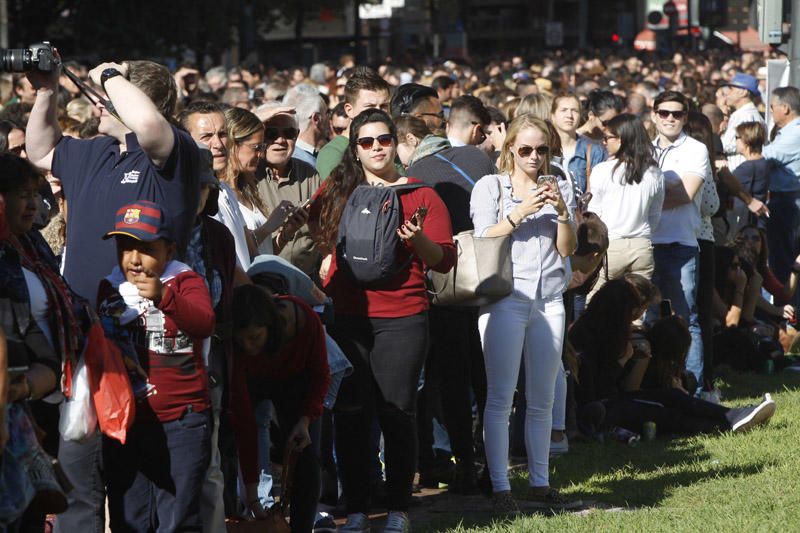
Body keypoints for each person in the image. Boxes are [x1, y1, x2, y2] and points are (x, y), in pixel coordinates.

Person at [26, 58, 202, 533]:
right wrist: (46, 92)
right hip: (84, 348)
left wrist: (109, 76)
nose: (95, 102)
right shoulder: (93, 152)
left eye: (108, 97)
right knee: (80, 483)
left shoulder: (171, 154)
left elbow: (148, 126)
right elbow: (40, 151)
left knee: (148, 495)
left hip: (148, 351)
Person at [311, 109, 456, 533]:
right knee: (351, 415)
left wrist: (419, 241)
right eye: (366, 141)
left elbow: (444, 260)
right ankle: (356, 509)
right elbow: (315, 237)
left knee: (397, 413)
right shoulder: (337, 191)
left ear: (396, 143)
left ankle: (397, 508)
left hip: (403, 318)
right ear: (354, 149)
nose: (377, 148)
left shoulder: (421, 194)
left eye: (384, 140)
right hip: (349, 316)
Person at [470, 114, 578, 511]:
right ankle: (500, 486)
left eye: (542, 150)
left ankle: (539, 482)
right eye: (526, 149)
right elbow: (482, 236)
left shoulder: (559, 183)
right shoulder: (491, 186)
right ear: (510, 148)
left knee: (543, 397)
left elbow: (567, 249)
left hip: (550, 298)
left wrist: (563, 212)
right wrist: (519, 213)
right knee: (500, 398)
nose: (534, 158)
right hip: (506, 297)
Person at [97, 200, 215, 532]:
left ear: (169, 250)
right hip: (127, 423)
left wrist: (163, 297)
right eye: (125, 248)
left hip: (181, 420)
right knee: (129, 518)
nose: (134, 260)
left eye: (146, 249)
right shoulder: (109, 286)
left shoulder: (184, 282)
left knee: (177, 518)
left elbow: (205, 323)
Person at [571, 279, 777, 437]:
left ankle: (734, 415)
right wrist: (622, 361)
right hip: (601, 409)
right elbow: (595, 392)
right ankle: (726, 425)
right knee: (661, 411)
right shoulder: (584, 335)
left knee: (671, 396)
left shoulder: (608, 331)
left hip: (614, 401)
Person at [0, 154, 81, 532]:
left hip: (37, 398)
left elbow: (51, 306)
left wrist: (32, 382)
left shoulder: (30, 242)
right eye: (21, 195)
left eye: (35, 194)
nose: (33, 204)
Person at [229, 284, 329, 533]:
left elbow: (320, 376)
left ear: (271, 326)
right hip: (253, 381)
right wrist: (252, 495)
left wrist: (306, 419)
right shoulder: (240, 352)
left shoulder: (304, 320)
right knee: (228, 445)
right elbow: (244, 422)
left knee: (305, 455)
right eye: (243, 341)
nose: (249, 347)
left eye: (255, 338)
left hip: (297, 380)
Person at [649, 91, 711, 390]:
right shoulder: (644, 150)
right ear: (653, 115)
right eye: (664, 113)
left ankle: (695, 389)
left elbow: (685, 194)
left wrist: (644, 201)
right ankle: (655, 385)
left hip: (680, 245)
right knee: (647, 319)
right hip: (646, 245)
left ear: (686, 117)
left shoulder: (696, 149)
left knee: (686, 320)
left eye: (677, 114)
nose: (670, 118)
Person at [586, 113, 664, 297]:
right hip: (642, 246)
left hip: (610, 246)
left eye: (607, 138)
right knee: (637, 307)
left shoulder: (602, 170)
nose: (604, 142)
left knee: (596, 304)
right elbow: (655, 215)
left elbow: (594, 214)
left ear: (622, 139)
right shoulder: (654, 172)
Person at [222, 107, 305, 261]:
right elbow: (235, 251)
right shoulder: (220, 194)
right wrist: (269, 226)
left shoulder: (247, 188)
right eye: (257, 148)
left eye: (262, 147)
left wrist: (285, 233)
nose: (261, 154)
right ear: (234, 145)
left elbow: (261, 252)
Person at [178, 101, 252, 270]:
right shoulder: (187, 198)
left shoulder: (225, 189)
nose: (218, 144)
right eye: (206, 136)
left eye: (223, 134)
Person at [254, 103, 320, 277]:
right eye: (271, 133)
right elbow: (232, 141)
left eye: (288, 133)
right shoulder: (246, 174)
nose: (280, 140)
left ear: (297, 136)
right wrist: (256, 119)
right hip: (262, 281)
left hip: (306, 283)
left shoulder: (309, 174)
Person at [315, 66, 391, 180]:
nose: (378, 112)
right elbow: (337, 196)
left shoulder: (390, 144)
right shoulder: (333, 154)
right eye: (370, 106)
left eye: (384, 106)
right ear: (349, 110)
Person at [763, 86, 800, 292]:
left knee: (783, 263)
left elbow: (767, 156)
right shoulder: (788, 131)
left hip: (788, 203)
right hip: (784, 201)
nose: (771, 111)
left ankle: (787, 314)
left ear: (785, 108)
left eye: (772, 107)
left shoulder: (795, 132)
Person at [550, 93, 606, 193]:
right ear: (553, 115)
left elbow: (598, 192)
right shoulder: (541, 149)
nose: (569, 115)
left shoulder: (594, 151)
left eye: (574, 111)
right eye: (564, 110)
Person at [719, 73, 765, 171]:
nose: (727, 93)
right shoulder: (744, 113)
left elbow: (728, 145)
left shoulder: (745, 115)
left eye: (731, 89)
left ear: (743, 92)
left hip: (741, 174)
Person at [282, 83, 329, 167]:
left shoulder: (287, 155)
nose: (330, 119)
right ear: (316, 119)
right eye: (327, 113)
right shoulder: (303, 163)